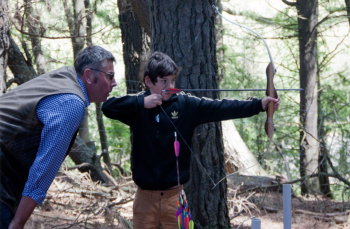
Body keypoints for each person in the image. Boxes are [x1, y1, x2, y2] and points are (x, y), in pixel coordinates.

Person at [102, 52, 280, 229]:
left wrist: (258, 105)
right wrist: (142, 103)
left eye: (173, 80)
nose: (171, 86)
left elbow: (220, 107)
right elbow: (108, 107)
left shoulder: (185, 105)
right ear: (149, 82)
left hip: (175, 198)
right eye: (164, 81)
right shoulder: (138, 106)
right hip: (144, 200)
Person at [0, 45, 117, 229]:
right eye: (109, 76)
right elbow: (43, 169)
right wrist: (18, 222)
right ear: (88, 75)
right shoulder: (72, 104)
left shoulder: (67, 76)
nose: (114, 82)